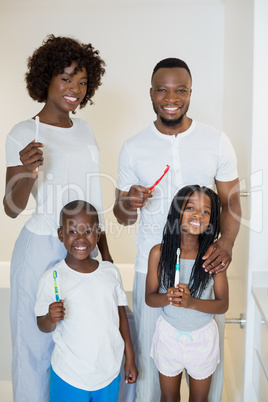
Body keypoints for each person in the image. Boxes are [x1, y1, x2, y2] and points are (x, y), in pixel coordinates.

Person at [113, 58, 241, 402]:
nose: (172, 97)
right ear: (151, 94)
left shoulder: (216, 141)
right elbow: (121, 215)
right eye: (163, 90)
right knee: (154, 378)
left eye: (180, 90)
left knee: (205, 378)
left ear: (190, 93)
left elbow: (230, 202)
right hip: (151, 269)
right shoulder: (133, 147)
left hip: (203, 267)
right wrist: (129, 202)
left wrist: (226, 243)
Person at [3, 35, 112, 402]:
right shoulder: (23, 132)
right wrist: (28, 172)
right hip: (41, 249)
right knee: (34, 346)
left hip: (84, 247)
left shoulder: (85, 131)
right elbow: (12, 207)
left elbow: (93, 201)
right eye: (66, 78)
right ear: (46, 77)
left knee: (79, 342)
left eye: (82, 82)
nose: (74, 90)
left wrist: (105, 255)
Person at [35, 200, 138, 402]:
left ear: (98, 234)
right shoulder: (52, 278)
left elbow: (121, 317)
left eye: (88, 231)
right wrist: (50, 317)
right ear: (61, 235)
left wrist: (130, 358)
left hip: (108, 372)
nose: (80, 238)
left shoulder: (110, 272)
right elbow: (42, 325)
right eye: (72, 231)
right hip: (69, 375)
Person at [145, 185, 228, 402]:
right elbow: (149, 298)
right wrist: (168, 298)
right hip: (169, 337)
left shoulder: (213, 256)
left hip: (202, 339)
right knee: (169, 397)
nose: (198, 215)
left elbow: (223, 304)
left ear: (212, 220)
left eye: (206, 211)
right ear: (176, 212)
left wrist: (191, 303)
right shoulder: (159, 253)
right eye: (190, 207)